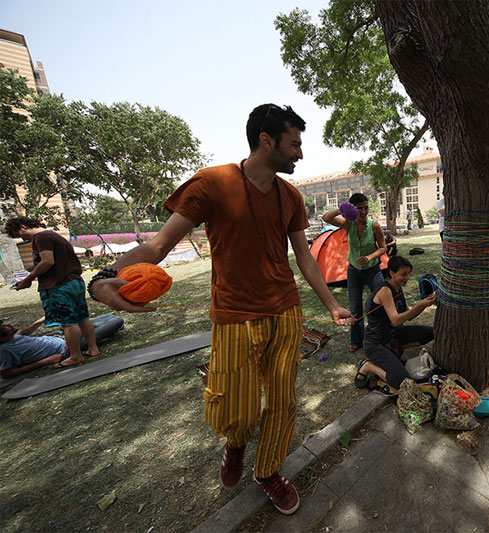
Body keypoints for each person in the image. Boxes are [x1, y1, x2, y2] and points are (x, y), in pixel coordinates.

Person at [90, 104, 354, 515]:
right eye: (294, 144)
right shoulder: (212, 183)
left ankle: (267, 473)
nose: (300, 154)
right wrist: (104, 275)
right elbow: (158, 246)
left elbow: (304, 259)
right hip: (233, 316)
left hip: (285, 311)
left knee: (283, 402)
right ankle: (235, 443)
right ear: (266, 141)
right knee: (239, 407)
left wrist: (333, 304)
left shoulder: (292, 197)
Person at [4, 217, 100, 368]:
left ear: (23, 226)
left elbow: (47, 261)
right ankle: (93, 348)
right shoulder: (54, 235)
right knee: (82, 317)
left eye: (20, 235)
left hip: (59, 285)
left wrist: (28, 279)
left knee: (67, 322)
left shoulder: (40, 237)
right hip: (75, 282)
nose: (23, 239)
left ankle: (75, 356)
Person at [354, 255, 436, 390]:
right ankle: (367, 366)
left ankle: (394, 353)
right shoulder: (385, 291)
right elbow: (396, 320)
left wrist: (425, 303)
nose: (408, 277)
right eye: (404, 274)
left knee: (431, 332)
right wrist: (421, 305)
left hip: (393, 335)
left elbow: (408, 316)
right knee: (402, 382)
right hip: (375, 343)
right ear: (391, 273)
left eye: (409, 273)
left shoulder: (398, 287)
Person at [322, 193, 387, 353]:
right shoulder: (347, 223)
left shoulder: (374, 226)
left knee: (380, 304)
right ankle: (356, 340)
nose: (364, 211)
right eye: (359, 208)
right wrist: (342, 209)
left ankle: (382, 337)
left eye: (366, 207)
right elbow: (326, 218)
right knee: (355, 308)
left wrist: (370, 257)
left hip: (373, 270)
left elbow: (383, 247)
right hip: (354, 271)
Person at [0, 317, 66, 379]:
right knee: (72, 326)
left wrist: (42, 319)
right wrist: (46, 361)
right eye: (4, 327)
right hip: (64, 347)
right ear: (2, 338)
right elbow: (7, 374)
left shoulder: (11, 337)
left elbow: (24, 332)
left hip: (57, 336)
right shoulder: (5, 350)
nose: (8, 324)